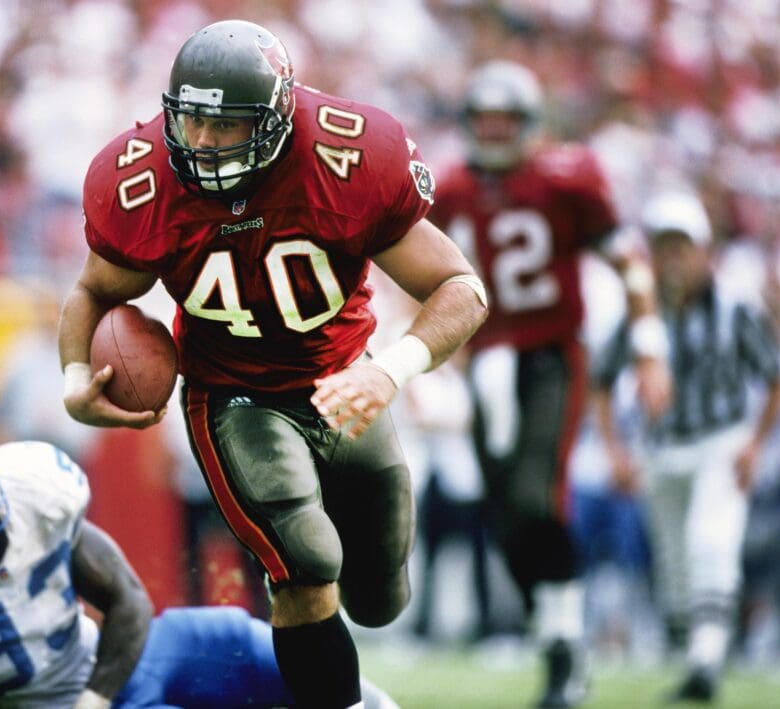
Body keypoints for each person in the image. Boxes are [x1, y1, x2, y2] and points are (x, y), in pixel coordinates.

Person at [58, 19, 488, 709]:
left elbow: (461, 288)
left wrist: (391, 370)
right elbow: (92, 290)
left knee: (379, 596)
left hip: (343, 378)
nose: (200, 142)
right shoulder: (140, 180)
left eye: (225, 125)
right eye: (191, 119)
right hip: (233, 394)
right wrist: (76, 379)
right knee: (306, 566)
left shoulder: (349, 156)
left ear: (279, 117)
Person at [0, 409, 400, 708]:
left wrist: (94, 698)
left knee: (247, 643)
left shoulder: (31, 488)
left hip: (112, 667)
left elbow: (127, 598)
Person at [427, 60, 672, 708]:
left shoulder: (568, 177)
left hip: (552, 357)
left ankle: (565, 648)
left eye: (507, 120)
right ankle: (558, 635)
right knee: (505, 519)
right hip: (487, 362)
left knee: (537, 501)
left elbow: (630, 263)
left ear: (530, 124)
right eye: (486, 120)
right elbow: (425, 274)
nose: (496, 131)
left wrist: (648, 347)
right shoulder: (451, 189)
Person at [592, 190, 780, 703]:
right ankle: (692, 654)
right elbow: (601, 380)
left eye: (682, 245)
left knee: (709, 542)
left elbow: (774, 378)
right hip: (661, 449)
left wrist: (755, 444)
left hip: (720, 441)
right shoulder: (640, 312)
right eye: (664, 246)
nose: (673, 258)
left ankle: (706, 657)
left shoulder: (734, 309)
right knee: (675, 561)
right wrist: (615, 450)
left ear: (704, 250)